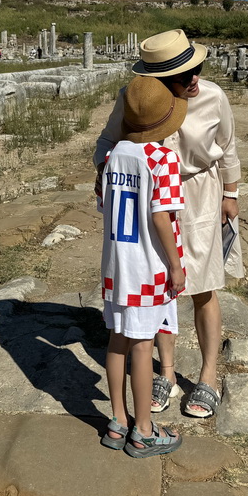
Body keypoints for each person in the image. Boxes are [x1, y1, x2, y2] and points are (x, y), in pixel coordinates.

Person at [94, 29, 240, 420]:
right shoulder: (135, 100)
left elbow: (227, 147)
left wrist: (231, 194)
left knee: (203, 286)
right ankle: (167, 371)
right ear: (156, 81)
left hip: (200, 197)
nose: (195, 80)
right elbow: (106, 143)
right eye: (183, 76)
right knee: (160, 288)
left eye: (197, 69)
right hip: (151, 205)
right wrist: (109, 173)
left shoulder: (212, 96)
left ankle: (207, 375)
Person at [98, 75, 187, 457]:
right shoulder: (162, 158)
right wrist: (176, 266)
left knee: (117, 341)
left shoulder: (112, 155)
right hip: (148, 268)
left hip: (116, 265)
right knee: (142, 346)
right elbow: (161, 217)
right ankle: (145, 431)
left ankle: (118, 421)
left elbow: (105, 205)